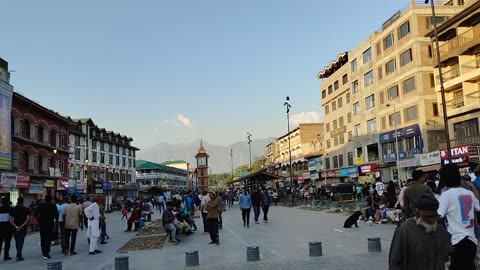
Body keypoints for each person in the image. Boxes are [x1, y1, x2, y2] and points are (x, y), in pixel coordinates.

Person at [389, 194, 451, 270]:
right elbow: (395, 261)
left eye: (435, 216)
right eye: (428, 217)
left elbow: (449, 256)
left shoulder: (441, 231)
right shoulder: (404, 231)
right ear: (418, 214)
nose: (432, 220)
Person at [438, 164, 480, 270]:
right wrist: (472, 187)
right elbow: (478, 207)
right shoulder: (469, 193)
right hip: (471, 239)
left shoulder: (446, 195)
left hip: (456, 240)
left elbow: (439, 215)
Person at [34, 195, 59, 260]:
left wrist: (39, 220)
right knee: (49, 238)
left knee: (43, 238)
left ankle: (44, 253)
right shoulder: (53, 205)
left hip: (42, 224)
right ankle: (47, 252)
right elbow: (56, 215)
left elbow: (35, 214)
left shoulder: (41, 205)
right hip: (50, 224)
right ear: (51, 199)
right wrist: (56, 223)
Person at [9, 197, 30, 261]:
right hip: (23, 227)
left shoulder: (13, 209)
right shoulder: (26, 209)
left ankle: (18, 254)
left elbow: (10, 219)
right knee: (21, 241)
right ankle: (19, 255)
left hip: (15, 227)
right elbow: (27, 219)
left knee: (17, 241)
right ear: (23, 201)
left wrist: (16, 226)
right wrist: (21, 226)